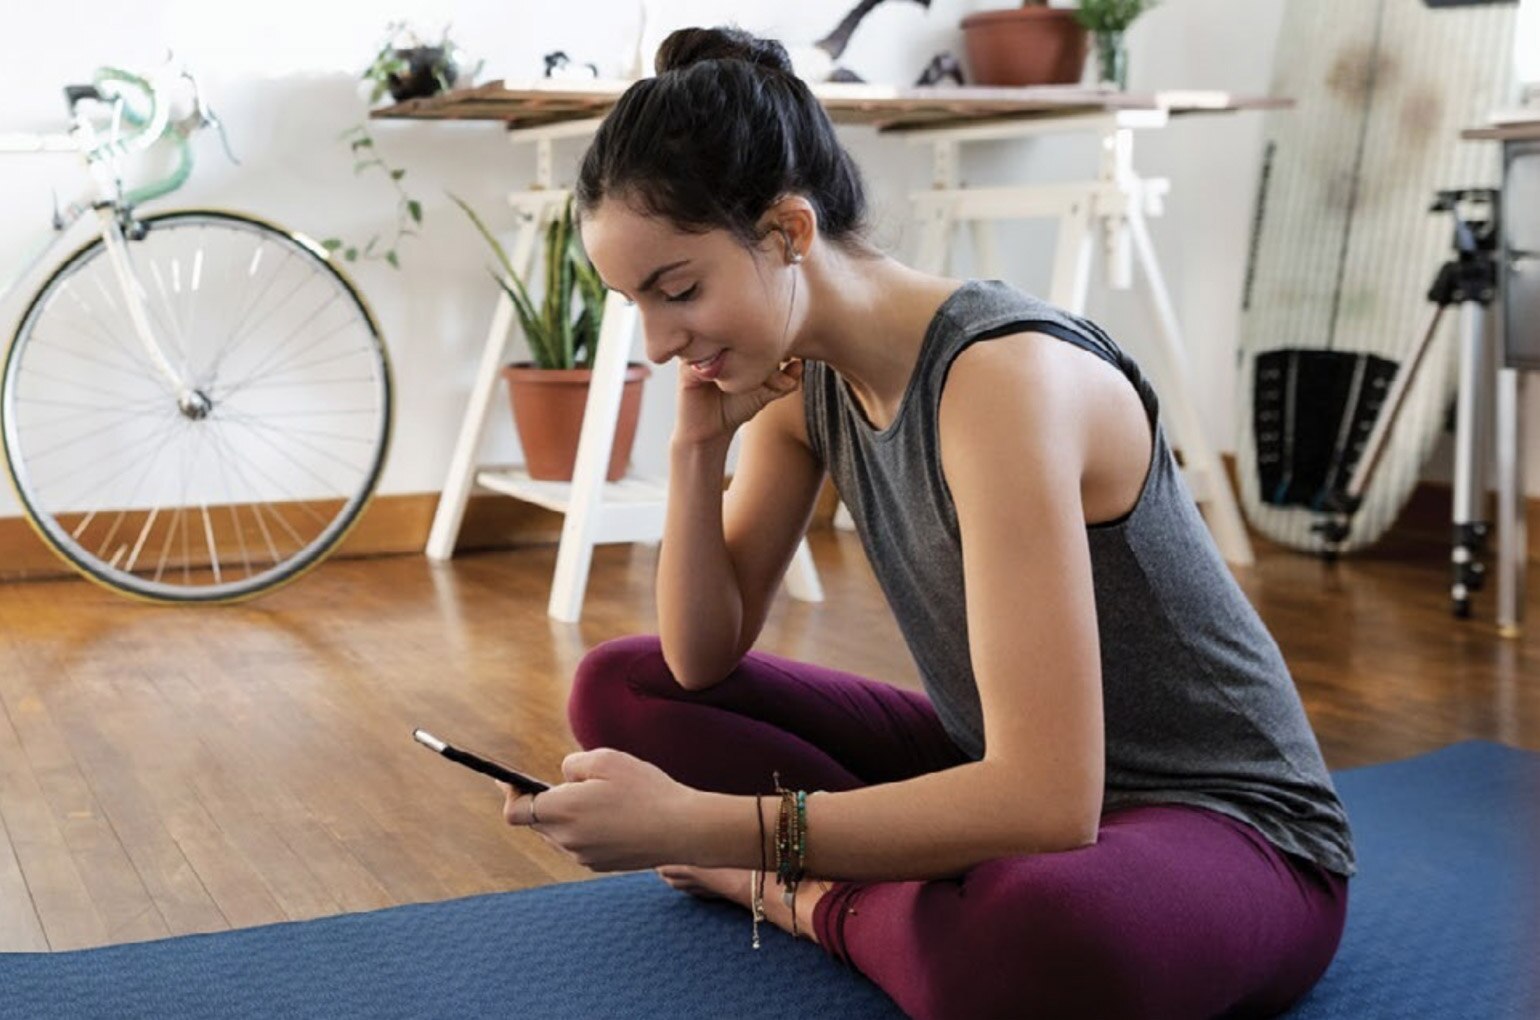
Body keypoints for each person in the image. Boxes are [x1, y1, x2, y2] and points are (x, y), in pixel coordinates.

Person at [496, 26, 1355, 1020]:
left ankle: (806, 902)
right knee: (623, 685)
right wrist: (695, 448)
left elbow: (1046, 804)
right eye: (634, 304)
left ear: (786, 233)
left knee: (1028, 931)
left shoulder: (1000, 380)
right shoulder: (800, 384)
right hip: (999, 765)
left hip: (1231, 829)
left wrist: (712, 834)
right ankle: (911, 898)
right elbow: (699, 660)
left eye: (677, 289)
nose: (656, 339)